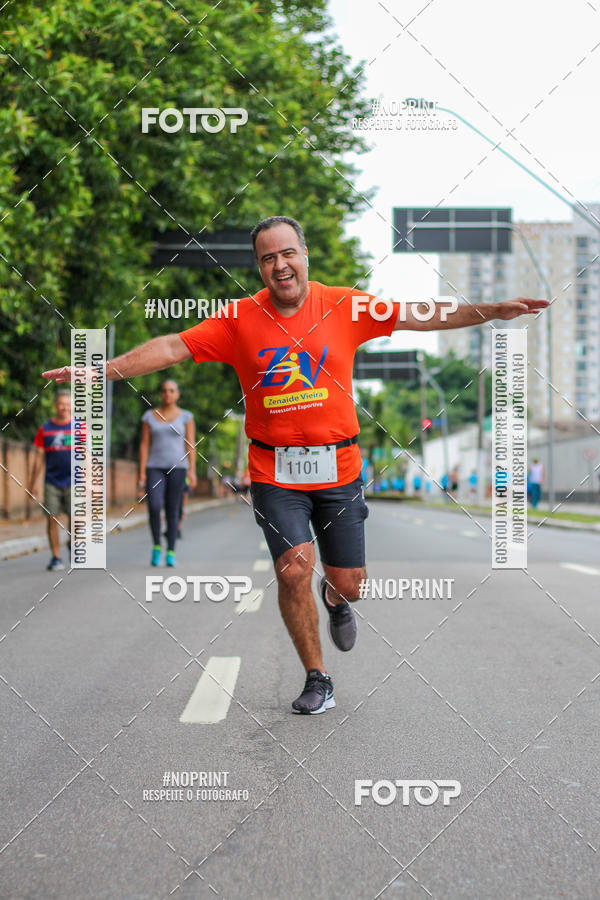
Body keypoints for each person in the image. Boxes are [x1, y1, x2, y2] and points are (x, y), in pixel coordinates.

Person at [43, 215, 548, 714]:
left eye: (287, 253)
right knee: (292, 569)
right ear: (260, 268)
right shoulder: (238, 319)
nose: (280, 265)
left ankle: (336, 597)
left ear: (305, 256)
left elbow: (424, 313)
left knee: (351, 582)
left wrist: (492, 311)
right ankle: (318, 677)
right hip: (274, 473)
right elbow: (172, 346)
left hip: (341, 468)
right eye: (268, 258)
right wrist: (103, 370)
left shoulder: (346, 305)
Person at [138, 379, 196, 566]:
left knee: (173, 508)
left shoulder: (186, 416)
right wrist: (141, 473)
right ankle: (156, 546)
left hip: (178, 468)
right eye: (164, 390)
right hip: (154, 467)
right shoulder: (149, 416)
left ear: (177, 394)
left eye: (171, 391)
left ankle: (171, 551)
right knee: (154, 506)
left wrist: (192, 471)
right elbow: (144, 445)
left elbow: (190, 443)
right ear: (160, 393)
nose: (167, 394)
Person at [28, 391, 73, 570]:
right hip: (52, 481)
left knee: (75, 518)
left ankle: (72, 542)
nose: (64, 408)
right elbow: (39, 458)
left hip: (74, 481)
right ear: (55, 406)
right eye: (61, 404)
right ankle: (56, 557)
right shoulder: (45, 429)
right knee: (52, 519)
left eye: (68, 404)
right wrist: (33, 484)